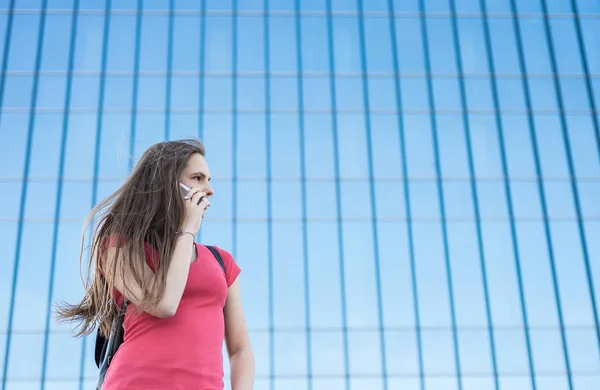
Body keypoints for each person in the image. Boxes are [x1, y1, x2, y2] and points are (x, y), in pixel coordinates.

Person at [56, 139, 255, 390]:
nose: (209, 189)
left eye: (209, 179)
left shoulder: (221, 262)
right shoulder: (118, 247)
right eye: (198, 178)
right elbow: (164, 304)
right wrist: (187, 230)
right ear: (169, 185)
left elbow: (240, 348)